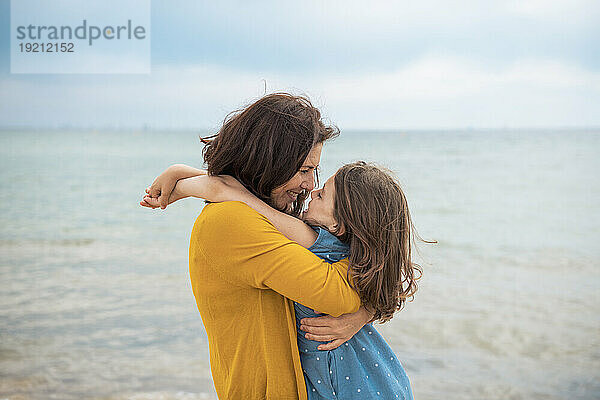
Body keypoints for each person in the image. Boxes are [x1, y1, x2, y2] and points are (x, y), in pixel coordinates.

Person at [141, 93, 373, 400]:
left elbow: (381, 278)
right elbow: (341, 294)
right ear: (269, 161)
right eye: (303, 170)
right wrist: (359, 309)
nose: (309, 184)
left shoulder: (254, 214)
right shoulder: (232, 222)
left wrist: (190, 179)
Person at [142, 161, 421, 399]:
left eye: (323, 195)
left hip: (345, 386)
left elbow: (236, 196)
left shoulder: (313, 241)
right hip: (379, 376)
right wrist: (361, 316)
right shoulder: (356, 256)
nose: (313, 190)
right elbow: (242, 194)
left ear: (338, 225)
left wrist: (179, 184)